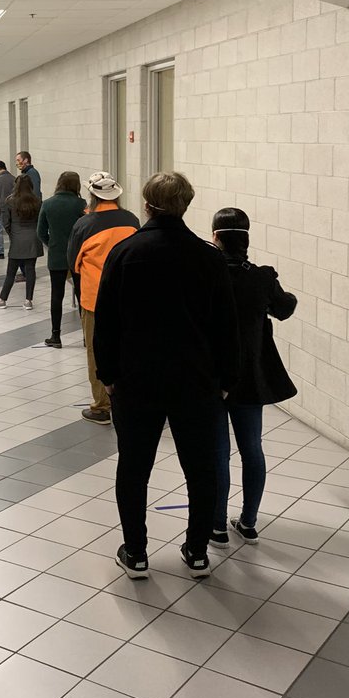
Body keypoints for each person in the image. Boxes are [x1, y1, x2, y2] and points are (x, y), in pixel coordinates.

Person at [93, 172, 239, 581]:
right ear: (186, 206)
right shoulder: (209, 257)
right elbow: (226, 327)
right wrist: (226, 380)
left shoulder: (125, 252)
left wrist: (108, 374)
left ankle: (136, 552)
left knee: (134, 467)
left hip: (136, 381)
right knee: (201, 469)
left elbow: (106, 322)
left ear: (147, 204)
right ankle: (197, 552)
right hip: (196, 381)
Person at [209, 208, 297, 548]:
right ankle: (248, 523)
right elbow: (284, 308)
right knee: (252, 449)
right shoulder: (260, 277)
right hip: (249, 376)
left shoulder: (208, 274)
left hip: (213, 377)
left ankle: (217, 527)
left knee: (219, 453)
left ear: (215, 237)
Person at [66, 172, 139, 424]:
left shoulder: (84, 225)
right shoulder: (132, 220)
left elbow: (73, 264)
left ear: (93, 196)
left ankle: (101, 406)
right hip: (128, 298)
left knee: (97, 352)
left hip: (94, 299)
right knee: (128, 348)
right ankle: (130, 399)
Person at [37, 172, 86, 348]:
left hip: (57, 255)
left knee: (56, 296)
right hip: (78, 256)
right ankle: (86, 335)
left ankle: (55, 336)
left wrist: (52, 243)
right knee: (82, 295)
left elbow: (40, 232)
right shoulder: (81, 204)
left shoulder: (48, 204)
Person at [0, 175, 42, 309]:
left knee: (11, 271)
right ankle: (28, 301)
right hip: (33, 238)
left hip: (17, 238)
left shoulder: (10, 201)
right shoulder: (37, 201)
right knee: (30, 270)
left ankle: (2, 299)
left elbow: (6, 223)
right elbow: (40, 221)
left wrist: (13, 235)